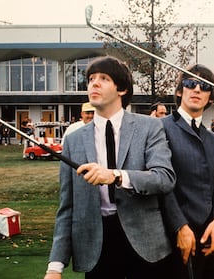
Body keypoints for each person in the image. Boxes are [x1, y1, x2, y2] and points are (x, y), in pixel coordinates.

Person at [44, 56, 176, 279]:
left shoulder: (149, 127)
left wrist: (115, 176)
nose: (94, 83)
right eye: (91, 79)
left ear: (122, 89)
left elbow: (164, 178)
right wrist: (55, 266)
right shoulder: (74, 140)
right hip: (96, 246)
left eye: (103, 78)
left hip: (145, 244)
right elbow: (67, 206)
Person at [161, 64, 214, 279]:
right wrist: (179, 226)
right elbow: (161, 185)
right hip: (173, 238)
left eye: (204, 86)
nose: (196, 89)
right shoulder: (159, 128)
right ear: (179, 90)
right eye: (190, 83)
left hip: (212, 241)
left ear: (211, 97)